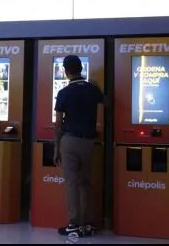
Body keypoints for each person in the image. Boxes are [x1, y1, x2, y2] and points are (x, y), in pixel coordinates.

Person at [53, 55, 105, 238]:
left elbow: (58, 124)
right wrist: (96, 86)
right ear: (81, 68)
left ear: (66, 71)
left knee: (72, 184)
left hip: (70, 141)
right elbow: (105, 101)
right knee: (85, 183)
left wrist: (56, 147)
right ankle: (88, 224)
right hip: (89, 142)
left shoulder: (64, 93)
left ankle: (74, 224)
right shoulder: (92, 89)